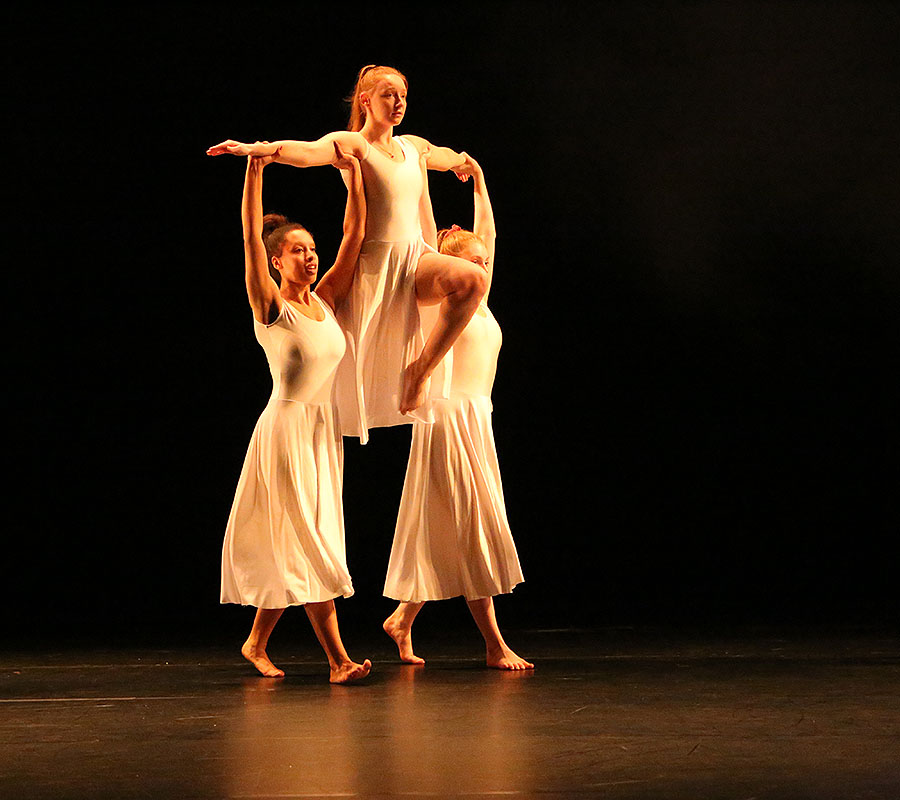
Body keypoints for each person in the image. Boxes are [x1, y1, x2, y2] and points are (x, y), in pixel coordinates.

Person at [207, 65, 487, 443]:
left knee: (471, 279)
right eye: (388, 94)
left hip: (415, 260)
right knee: (326, 357)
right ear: (366, 100)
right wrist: (264, 150)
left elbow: (445, 155)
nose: (398, 102)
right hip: (374, 267)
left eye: (403, 95)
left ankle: (418, 373)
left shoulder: (412, 146)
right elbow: (308, 152)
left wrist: (463, 162)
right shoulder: (356, 145)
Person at [220, 142, 371, 684]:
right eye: (298, 251)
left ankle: (255, 642)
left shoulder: (325, 302)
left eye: (312, 249)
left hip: (320, 434)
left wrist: (354, 180)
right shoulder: (272, 307)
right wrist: (255, 170)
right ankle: (339, 661)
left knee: (305, 537)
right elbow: (247, 241)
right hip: (285, 431)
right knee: (311, 540)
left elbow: (354, 239)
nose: (309, 257)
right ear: (277, 261)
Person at [381, 156, 533, 671]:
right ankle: (493, 644)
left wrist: (482, 179)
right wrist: (417, 171)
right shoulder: (437, 297)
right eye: (473, 264)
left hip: (476, 418)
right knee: (472, 522)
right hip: (446, 418)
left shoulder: (481, 301)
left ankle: (402, 619)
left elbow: (487, 230)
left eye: (484, 263)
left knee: (444, 524)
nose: (482, 270)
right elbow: (423, 227)